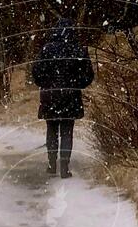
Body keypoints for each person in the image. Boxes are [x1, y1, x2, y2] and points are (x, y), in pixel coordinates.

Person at [31, 18, 94, 178]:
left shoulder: (46, 49)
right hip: (70, 95)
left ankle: (52, 164)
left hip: (49, 95)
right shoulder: (78, 50)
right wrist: (77, 85)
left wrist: (45, 84)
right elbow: (88, 75)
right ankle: (64, 167)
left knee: (51, 129)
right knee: (67, 131)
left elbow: (36, 73)